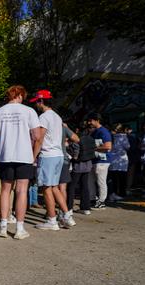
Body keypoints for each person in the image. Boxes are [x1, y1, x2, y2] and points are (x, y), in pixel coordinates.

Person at [0, 85, 40, 239]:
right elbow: (37, 136)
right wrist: (31, 148)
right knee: (22, 191)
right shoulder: (29, 111)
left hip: (5, 156)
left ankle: (3, 226)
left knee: (5, 190)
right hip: (24, 156)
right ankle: (19, 228)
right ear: (20, 95)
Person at [30, 90, 74, 230]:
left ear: (41, 101)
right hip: (59, 155)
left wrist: (33, 156)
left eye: (37, 101)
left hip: (48, 155)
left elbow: (39, 139)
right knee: (54, 187)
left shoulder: (43, 117)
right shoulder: (57, 116)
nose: (36, 104)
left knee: (47, 188)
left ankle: (52, 220)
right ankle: (67, 215)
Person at [67, 126, 96, 215]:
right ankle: (85, 208)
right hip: (88, 165)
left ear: (77, 130)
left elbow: (75, 153)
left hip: (78, 165)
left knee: (71, 187)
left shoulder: (77, 140)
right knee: (85, 186)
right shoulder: (91, 139)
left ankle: (69, 208)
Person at [87, 112, 112, 209]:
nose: (89, 123)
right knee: (90, 180)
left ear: (97, 120)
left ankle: (102, 201)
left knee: (101, 181)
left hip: (102, 161)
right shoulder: (94, 131)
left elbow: (108, 146)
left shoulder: (103, 131)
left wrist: (93, 148)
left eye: (91, 121)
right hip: (94, 160)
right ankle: (92, 199)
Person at [59, 123, 79, 215]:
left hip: (51, 158)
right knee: (62, 187)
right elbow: (76, 139)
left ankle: (51, 213)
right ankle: (63, 212)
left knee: (51, 187)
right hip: (63, 160)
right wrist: (67, 129)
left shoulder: (46, 127)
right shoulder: (63, 128)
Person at [108, 124, 130, 201]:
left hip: (112, 160)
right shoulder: (124, 137)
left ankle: (113, 193)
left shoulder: (111, 136)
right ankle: (122, 193)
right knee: (122, 178)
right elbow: (127, 147)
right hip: (122, 160)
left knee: (113, 178)